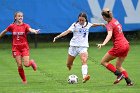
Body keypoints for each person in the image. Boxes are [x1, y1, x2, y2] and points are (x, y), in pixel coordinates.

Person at [53, 12, 104, 83]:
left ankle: (84, 77)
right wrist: (57, 37)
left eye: (82, 20)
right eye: (80, 20)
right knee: (68, 64)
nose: (81, 21)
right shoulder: (75, 25)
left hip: (83, 46)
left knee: (84, 60)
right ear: (78, 19)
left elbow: (93, 25)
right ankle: (70, 66)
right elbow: (67, 32)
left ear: (85, 19)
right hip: (73, 47)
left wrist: (101, 24)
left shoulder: (88, 24)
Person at [0, 11, 39, 84]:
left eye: (21, 16)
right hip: (16, 48)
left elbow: (30, 29)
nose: (21, 17)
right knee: (19, 65)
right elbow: (5, 31)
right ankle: (24, 80)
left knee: (26, 64)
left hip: (24, 47)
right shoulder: (11, 26)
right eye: (19, 16)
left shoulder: (25, 25)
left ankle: (32, 62)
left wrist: (34, 31)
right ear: (15, 17)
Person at [97, 8, 133, 86]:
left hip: (119, 46)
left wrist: (103, 43)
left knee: (103, 61)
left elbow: (109, 34)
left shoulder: (110, 24)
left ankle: (119, 75)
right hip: (126, 45)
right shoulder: (115, 21)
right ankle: (129, 82)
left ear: (104, 16)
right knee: (118, 66)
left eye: (102, 16)